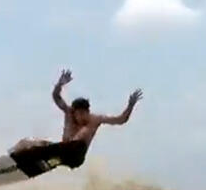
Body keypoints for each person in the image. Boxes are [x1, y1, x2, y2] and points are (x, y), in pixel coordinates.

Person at [10, 69, 143, 169]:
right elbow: (57, 97)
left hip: (76, 156)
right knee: (26, 142)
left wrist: (130, 105)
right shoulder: (69, 113)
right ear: (74, 112)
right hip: (59, 153)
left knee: (85, 131)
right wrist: (59, 85)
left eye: (82, 114)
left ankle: (44, 157)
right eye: (77, 114)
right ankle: (9, 160)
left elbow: (120, 120)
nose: (79, 117)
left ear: (87, 112)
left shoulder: (95, 120)